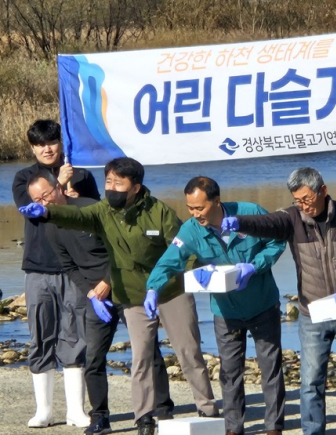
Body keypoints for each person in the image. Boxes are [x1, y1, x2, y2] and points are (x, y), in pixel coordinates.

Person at [19, 157, 218, 435]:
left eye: (118, 183)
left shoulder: (158, 211)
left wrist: (198, 268)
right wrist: (46, 212)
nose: (111, 188)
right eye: (108, 181)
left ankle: (207, 410)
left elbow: (182, 246)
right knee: (141, 357)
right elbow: (77, 217)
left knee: (189, 352)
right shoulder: (103, 210)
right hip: (132, 294)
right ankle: (144, 418)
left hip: (169, 290)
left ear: (135, 187)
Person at [220, 167, 336, 435]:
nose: (303, 205)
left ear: (323, 191)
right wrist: (239, 223)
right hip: (312, 313)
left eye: (307, 199)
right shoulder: (292, 218)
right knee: (310, 380)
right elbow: (267, 223)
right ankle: (312, 430)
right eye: (297, 200)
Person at [145, 176, 286, 435]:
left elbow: (278, 239)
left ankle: (274, 426)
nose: (195, 213)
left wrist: (255, 266)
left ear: (217, 201)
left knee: (270, 367)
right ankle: (233, 428)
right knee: (229, 371)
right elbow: (169, 261)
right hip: (225, 310)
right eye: (190, 208)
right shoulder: (191, 230)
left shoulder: (250, 212)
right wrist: (153, 288)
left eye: (200, 207)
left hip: (262, 303)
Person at [12, 119, 100, 428]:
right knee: (40, 335)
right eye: (40, 144)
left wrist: (73, 195)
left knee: (74, 335)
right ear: (32, 148)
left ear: (61, 142)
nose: (47, 149)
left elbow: (95, 215)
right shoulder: (23, 178)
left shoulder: (82, 176)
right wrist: (57, 185)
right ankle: (44, 410)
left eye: (51, 142)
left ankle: (75, 410)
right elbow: (33, 210)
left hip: (73, 268)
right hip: (38, 267)